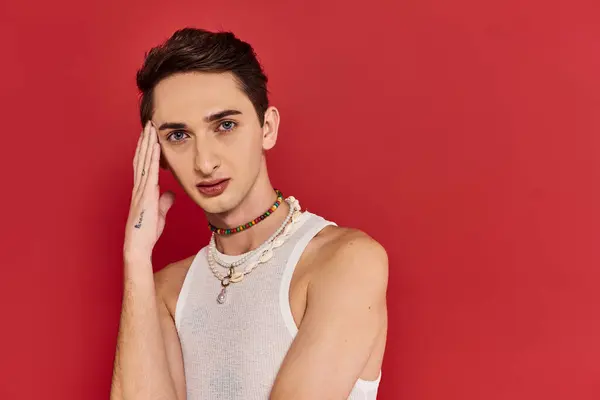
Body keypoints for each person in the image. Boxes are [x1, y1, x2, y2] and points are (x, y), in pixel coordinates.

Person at [110, 27, 388, 400]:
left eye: (225, 125)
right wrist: (135, 257)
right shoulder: (165, 292)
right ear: (156, 153)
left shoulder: (345, 261)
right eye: (179, 136)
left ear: (267, 128)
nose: (204, 162)